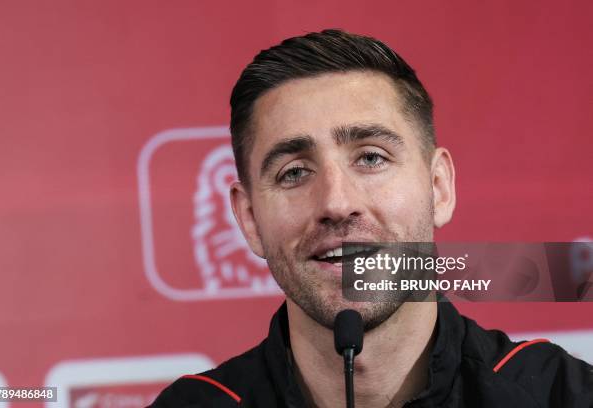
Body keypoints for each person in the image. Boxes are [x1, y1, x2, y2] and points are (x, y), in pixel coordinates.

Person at [150, 29, 592, 407]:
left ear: (438, 187)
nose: (337, 203)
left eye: (371, 158)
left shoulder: (564, 395)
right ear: (249, 219)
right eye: (295, 172)